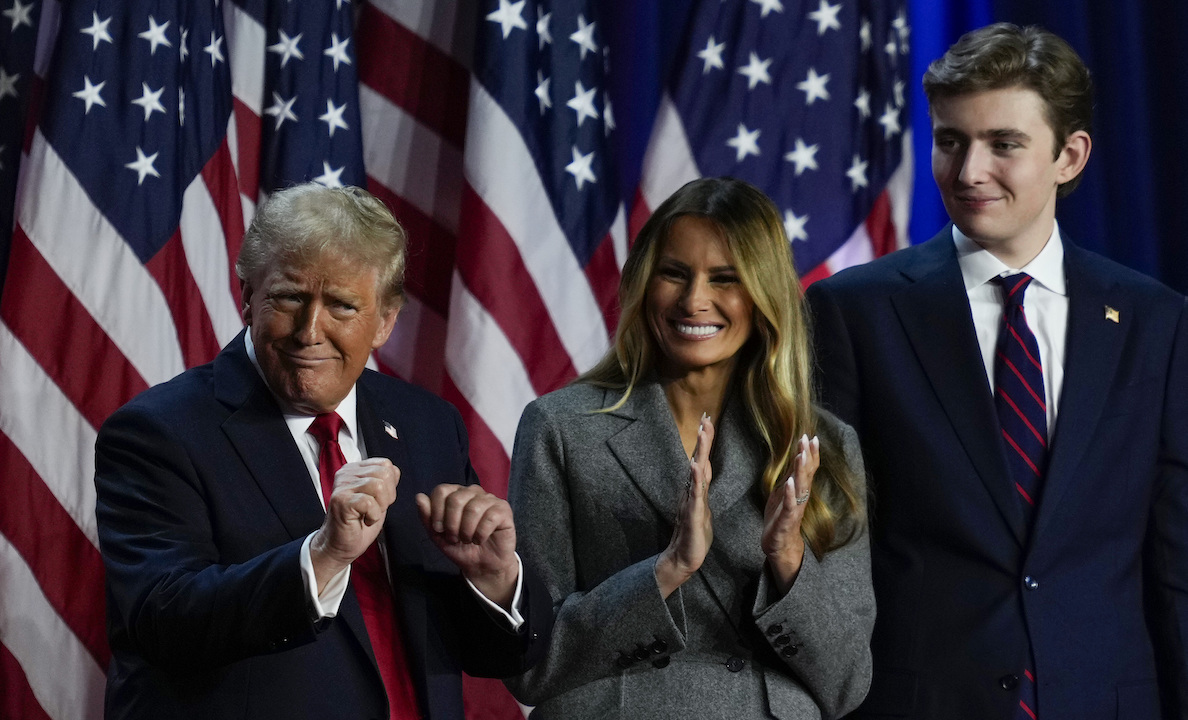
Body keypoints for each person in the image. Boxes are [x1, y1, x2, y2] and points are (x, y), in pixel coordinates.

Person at [806, 23, 1188, 719]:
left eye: (1003, 144)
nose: (969, 170)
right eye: (951, 141)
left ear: (1069, 157)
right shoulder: (854, 312)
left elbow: (1175, 560)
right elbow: (829, 549)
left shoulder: (1154, 321)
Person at [94, 183, 552, 720]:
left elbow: (496, 655)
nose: (310, 331)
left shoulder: (426, 423)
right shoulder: (158, 432)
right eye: (290, 297)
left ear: (385, 321)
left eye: (341, 305)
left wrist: (493, 579)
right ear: (247, 296)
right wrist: (324, 556)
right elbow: (161, 621)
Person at [503, 177, 874, 719]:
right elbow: (529, 666)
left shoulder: (824, 446)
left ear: (763, 295)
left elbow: (847, 684)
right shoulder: (561, 428)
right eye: (674, 273)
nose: (694, 299)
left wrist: (788, 557)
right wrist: (668, 569)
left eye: (725, 279)